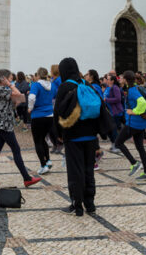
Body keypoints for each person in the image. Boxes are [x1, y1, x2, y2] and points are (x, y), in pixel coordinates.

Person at [54, 57, 100, 217]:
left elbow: (57, 112)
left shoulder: (64, 86)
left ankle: (77, 205)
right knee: (89, 170)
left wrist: (58, 135)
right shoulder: (86, 84)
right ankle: (90, 203)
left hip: (73, 136)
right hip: (90, 136)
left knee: (75, 171)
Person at [0, 74, 42, 188]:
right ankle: (27, 178)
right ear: (3, 80)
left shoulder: (2, 90)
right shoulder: (0, 89)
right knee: (16, 149)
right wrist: (10, 86)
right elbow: (19, 94)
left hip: (4, 124)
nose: (11, 80)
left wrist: (15, 102)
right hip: (4, 125)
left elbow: (17, 99)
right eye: (9, 78)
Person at [115, 70, 146, 180]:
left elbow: (142, 102)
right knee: (140, 147)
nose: (120, 79)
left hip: (133, 123)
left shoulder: (132, 90)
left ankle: (134, 163)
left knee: (118, 142)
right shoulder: (136, 87)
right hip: (141, 123)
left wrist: (134, 111)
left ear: (126, 80)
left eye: (121, 78)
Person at [29, 67, 56, 175]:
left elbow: (31, 97)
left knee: (37, 141)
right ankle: (48, 160)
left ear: (38, 76)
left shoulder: (36, 84)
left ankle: (43, 165)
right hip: (50, 115)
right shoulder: (52, 85)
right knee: (43, 138)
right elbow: (54, 96)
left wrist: (30, 107)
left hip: (38, 115)